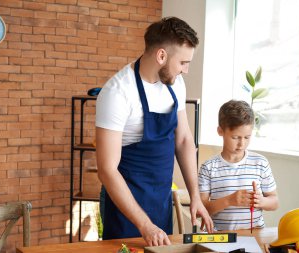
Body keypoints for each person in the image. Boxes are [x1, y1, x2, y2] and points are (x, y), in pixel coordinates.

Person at [95, 17, 213, 246]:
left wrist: (195, 196)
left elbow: (184, 141)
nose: (186, 70)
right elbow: (106, 170)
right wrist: (144, 225)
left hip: (160, 199)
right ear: (161, 56)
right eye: (183, 63)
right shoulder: (117, 93)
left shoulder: (175, 84)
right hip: (125, 207)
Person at [198, 100, 279, 230]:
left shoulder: (260, 163)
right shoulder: (208, 168)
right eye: (235, 137)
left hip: (255, 234)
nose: (242, 144)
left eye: (247, 137)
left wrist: (262, 201)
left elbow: (274, 202)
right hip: (221, 237)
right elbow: (200, 210)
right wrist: (229, 201)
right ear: (220, 131)